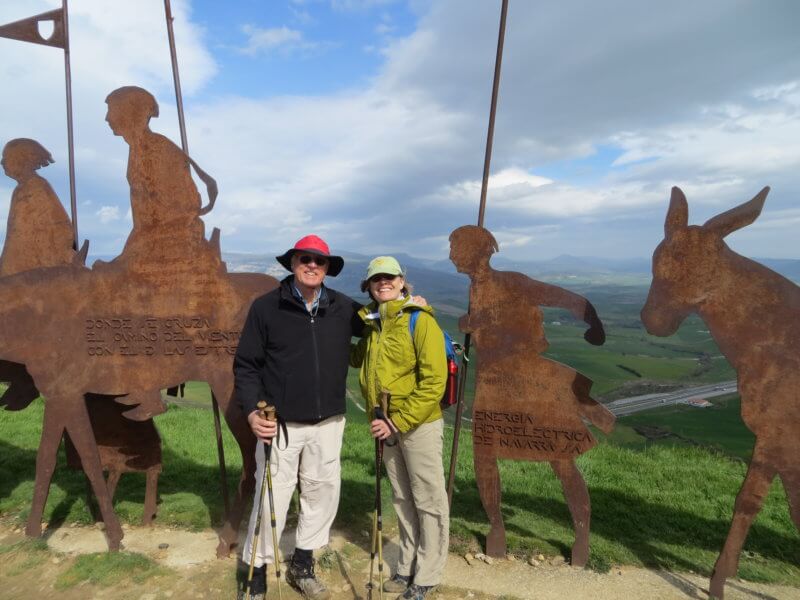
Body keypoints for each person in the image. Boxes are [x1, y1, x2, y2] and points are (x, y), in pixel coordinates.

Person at [234, 234, 363, 600]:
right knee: (270, 499)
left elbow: (381, 322)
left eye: (319, 261)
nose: (312, 265)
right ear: (292, 263)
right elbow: (246, 366)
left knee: (321, 495)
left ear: (327, 269)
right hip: (281, 425)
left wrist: (408, 302)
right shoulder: (266, 308)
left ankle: (302, 564)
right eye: (304, 259)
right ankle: (256, 575)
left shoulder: (342, 307)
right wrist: (251, 412)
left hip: (328, 423)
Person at [350, 256, 449, 600]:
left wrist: (398, 421)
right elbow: (355, 358)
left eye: (389, 277)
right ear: (369, 286)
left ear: (402, 281)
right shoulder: (372, 324)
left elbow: (435, 381)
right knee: (403, 498)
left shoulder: (420, 322)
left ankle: (427, 574)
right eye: (376, 279)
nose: (383, 283)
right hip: (385, 424)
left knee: (429, 500)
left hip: (417, 425)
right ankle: (406, 565)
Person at [0, 138, 74, 276]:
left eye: (6, 158)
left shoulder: (37, 187)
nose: (3, 163)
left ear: (21, 160)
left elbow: (62, 227)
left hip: (33, 269)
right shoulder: (21, 190)